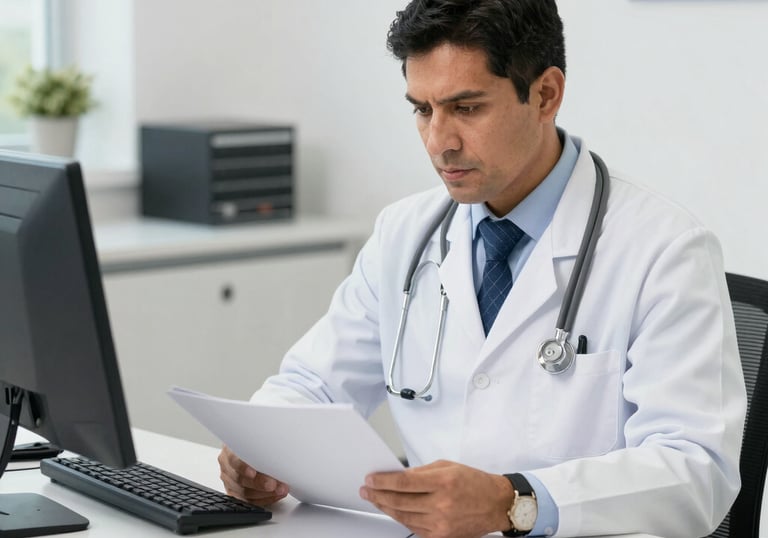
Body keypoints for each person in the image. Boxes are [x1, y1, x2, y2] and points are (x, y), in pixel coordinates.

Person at [218, 1, 747, 537]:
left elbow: (697, 470)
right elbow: (313, 385)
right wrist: (262, 452)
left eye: (466, 108)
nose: (438, 142)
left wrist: (515, 501)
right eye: (423, 109)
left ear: (545, 94)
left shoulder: (666, 250)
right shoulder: (404, 232)